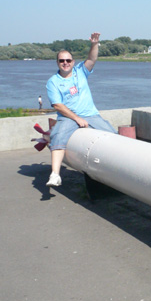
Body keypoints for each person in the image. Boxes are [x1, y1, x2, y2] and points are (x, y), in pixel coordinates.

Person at [45, 32, 116, 187]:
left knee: (113, 135)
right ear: (57, 63)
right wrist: (76, 118)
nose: (65, 63)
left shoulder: (80, 72)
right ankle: (55, 174)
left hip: (91, 115)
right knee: (58, 136)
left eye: (68, 60)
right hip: (68, 117)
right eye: (62, 60)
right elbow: (58, 105)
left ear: (73, 61)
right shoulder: (53, 82)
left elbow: (91, 59)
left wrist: (94, 44)